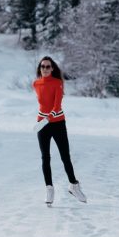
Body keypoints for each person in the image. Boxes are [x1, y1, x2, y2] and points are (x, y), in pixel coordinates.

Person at [34, 56, 86, 205]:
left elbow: (56, 106)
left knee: (65, 156)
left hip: (57, 123)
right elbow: (42, 105)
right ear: (40, 69)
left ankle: (73, 185)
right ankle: (49, 189)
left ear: (52, 69)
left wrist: (48, 118)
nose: (45, 69)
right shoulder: (36, 84)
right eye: (42, 67)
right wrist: (43, 120)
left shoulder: (58, 83)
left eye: (48, 67)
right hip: (42, 123)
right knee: (45, 157)